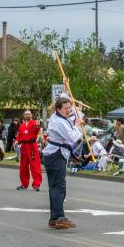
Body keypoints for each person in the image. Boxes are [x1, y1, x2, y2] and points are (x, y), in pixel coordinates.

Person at [42, 97, 84, 230]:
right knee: (58, 187)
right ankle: (59, 217)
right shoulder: (58, 121)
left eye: (69, 108)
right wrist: (77, 125)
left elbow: (71, 118)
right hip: (55, 155)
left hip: (57, 154)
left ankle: (54, 218)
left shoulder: (59, 117)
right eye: (66, 108)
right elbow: (72, 137)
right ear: (58, 109)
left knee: (58, 187)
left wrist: (77, 113)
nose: (69, 110)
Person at [15, 109, 42, 191]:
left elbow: (36, 130)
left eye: (29, 114)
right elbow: (19, 136)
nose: (27, 115)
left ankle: (36, 184)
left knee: (35, 166)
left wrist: (37, 125)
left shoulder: (34, 123)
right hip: (24, 147)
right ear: (24, 115)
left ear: (31, 115)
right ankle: (24, 184)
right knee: (23, 166)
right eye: (26, 114)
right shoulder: (21, 126)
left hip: (32, 146)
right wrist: (17, 141)